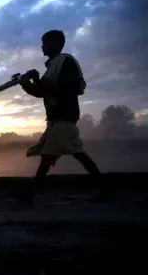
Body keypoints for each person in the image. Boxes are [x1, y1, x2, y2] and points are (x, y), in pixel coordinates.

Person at [18, 30, 110, 203]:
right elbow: (44, 92)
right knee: (76, 154)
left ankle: (30, 194)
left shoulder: (65, 63)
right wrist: (27, 83)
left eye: (44, 43)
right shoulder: (55, 66)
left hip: (63, 117)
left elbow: (61, 89)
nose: (42, 47)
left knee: (48, 158)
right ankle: (105, 188)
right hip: (62, 118)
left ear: (55, 44)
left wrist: (37, 81)